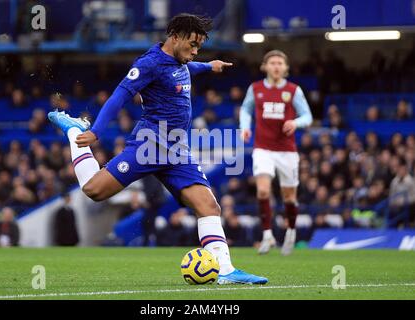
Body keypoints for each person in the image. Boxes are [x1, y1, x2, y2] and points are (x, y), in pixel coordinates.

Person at [48, 13, 267, 284]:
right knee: (94, 190)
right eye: (192, 45)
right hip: (149, 147)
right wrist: (95, 132)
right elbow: (120, 96)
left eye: (199, 47)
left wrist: (209, 66)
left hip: (177, 151)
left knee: (209, 206)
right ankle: (74, 132)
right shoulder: (149, 63)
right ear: (175, 37)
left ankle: (224, 270)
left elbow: (188, 69)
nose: (195, 51)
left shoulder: (182, 61)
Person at [239, 50, 313, 255]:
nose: (276, 66)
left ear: (286, 68)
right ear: (265, 66)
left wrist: (295, 122)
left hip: (287, 151)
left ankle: (290, 231)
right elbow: (246, 109)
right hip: (263, 148)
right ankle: (267, 235)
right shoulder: (256, 89)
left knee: (289, 197)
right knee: (263, 191)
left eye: (280, 63)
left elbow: (307, 116)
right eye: (272, 63)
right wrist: (245, 126)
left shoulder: (293, 90)